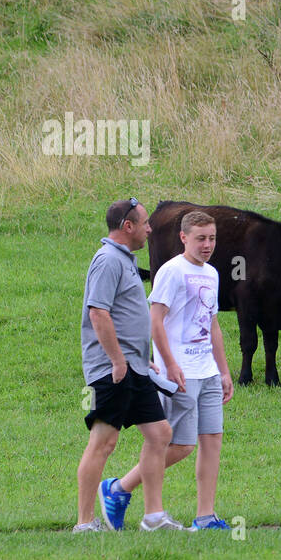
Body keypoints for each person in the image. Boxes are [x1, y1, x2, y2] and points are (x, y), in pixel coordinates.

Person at [108, 210, 234, 530]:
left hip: (207, 370)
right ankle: (118, 489)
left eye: (212, 238)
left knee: (213, 440)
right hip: (180, 372)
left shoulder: (212, 273)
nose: (207, 245)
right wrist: (171, 364)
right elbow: (156, 320)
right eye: (201, 239)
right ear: (183, 238)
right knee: (180, 445)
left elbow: (213, 324)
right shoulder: (171, 271)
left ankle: (205, 516)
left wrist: (224, 370)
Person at [75, 198, 186, 532]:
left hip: (134, 367)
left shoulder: (123, 260)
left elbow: (124, 316)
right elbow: (98, 312)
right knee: (103, 442)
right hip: (112, 370)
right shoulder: (108, 260)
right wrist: (117, 361)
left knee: (160, 433)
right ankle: (84, 523)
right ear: (128, 226)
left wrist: (142, 360)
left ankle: (153, 517)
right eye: (145, 223)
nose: (150, 229)